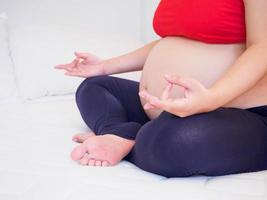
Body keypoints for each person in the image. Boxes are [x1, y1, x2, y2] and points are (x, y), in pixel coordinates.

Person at [55, 0, 267, 177]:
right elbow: (174, 42)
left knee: (171, 142)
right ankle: (120, 135)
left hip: (242, 111)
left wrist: (210, 99)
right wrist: (105, 66)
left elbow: (262, 46)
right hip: (172, 108)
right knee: (95, 87)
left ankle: (139, 139)